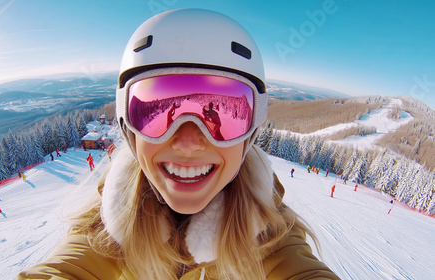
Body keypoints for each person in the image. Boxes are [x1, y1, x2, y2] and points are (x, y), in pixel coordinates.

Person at [17, 9, 338, 280]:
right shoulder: (103, 234)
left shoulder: (271, 232)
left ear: (251, 132)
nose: (187, 142)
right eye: (156, 110)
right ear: (127, 126)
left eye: (226, 114)